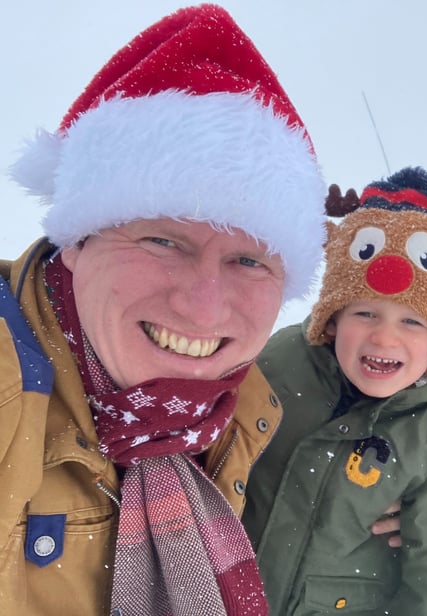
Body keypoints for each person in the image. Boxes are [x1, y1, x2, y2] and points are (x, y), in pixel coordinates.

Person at [0, 5, 327, 615]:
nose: (203, 308)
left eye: (250, 261)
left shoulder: (242, 409)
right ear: (78, 239)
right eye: (162, 241)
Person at [242, 166, 427, 615]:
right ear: (333, 316)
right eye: (364, 314)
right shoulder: (279, 363)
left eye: (412, 321)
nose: (384, 338)